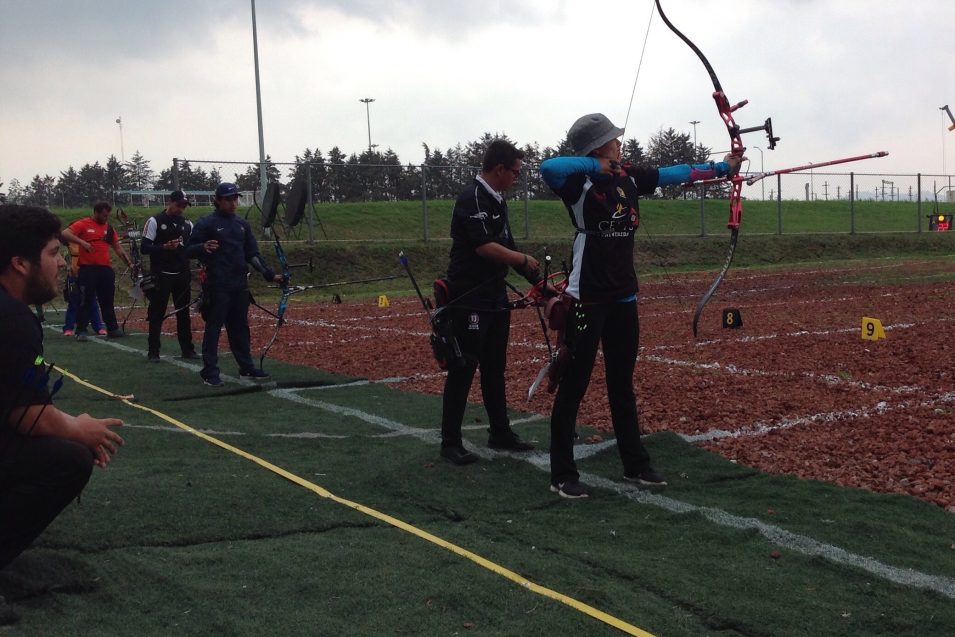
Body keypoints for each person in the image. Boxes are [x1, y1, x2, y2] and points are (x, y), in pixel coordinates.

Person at [539, 113, 742, 498]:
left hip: (623, 298)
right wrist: (595, 165)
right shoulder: (577, 185)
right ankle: (562, 473)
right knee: (575, 385)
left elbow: (675, 173)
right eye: (612, 141)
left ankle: (635, 463)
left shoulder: (629, 177)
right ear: (598, 148)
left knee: (622, 383)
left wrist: (721, 167)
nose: (620, 144)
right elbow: (548, 166)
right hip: (586, 299)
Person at [0, 204, 124, 570]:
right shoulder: (12, 320)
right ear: (20, 263)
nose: (62, 263)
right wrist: (78, 429)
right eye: (53, 254)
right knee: (68, 459)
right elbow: (29, 418)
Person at [438, 139, 542, 465]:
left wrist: (539, 283)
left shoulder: (497, 201)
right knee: (463, 368)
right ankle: (450, 443)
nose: (516, 178)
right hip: (470, 298)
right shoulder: (472, 198)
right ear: (499, 169)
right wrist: (522, 258)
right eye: (514, 172)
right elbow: (484, 246)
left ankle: (500, 433)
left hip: (494, 298)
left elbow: (507, 247)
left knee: (495, 369)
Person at [186, 182, 282, 387]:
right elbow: (187, 250)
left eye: (235, 198)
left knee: (240, 328)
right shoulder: (207, 223)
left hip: (239, 285)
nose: (233, 203)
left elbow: (252, 254)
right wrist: (202, 247)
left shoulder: (242, 224)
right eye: (228, 199)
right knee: (213, 328)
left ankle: (246, 367)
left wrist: (269, 274)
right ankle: (209, 371)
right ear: (218, 200)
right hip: (217, 284)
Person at [60, 201, 133, 339]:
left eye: (108, 215)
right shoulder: (83, 224)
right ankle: (81, 330)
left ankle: (112, 328)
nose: (106, 218)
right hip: (87, 269)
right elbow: (65, 233)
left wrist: (129, 263)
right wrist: (82, 242)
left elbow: (117, 247)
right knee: (85, 300)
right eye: (104, 215)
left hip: (105, 269)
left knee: (107, 300)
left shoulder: (109, 228)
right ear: (96, 212)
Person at [141, 190, 198, 362]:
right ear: (170, 202)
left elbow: (192, 248)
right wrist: (164, 247)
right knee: (157, 313)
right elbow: (145, 248)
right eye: (179, 205)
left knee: (183, 313)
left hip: (182, 274)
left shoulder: (188, 224)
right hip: (161, 275)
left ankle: (187, 349)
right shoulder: (154, 221)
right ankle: (153, 351)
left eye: (184, 206)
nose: (181, 209)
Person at [61, 243, 106, 338]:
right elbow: (65, 252)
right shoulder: (70, 241)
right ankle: (68, 328)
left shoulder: (89, 241)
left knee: (92, 301)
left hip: (88, 273)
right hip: (74, 274)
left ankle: (98, 327)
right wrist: (68, 266)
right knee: (74, 302)